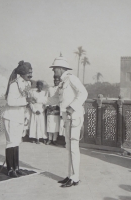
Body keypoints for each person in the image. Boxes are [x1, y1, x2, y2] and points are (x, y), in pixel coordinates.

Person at [49, 54, 88, 187]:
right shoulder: (62, 82)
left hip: (74, 118)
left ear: (60, 68)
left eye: (54, 69)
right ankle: (70, 175)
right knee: (69, 148)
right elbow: (54, 99)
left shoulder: (71, 79)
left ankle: (75, 178)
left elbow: (83, 93)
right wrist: (37, 99)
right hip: (67, 119)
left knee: (73, 148)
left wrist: (72, 107)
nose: (53, 71)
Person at [2, 60, 35, 178]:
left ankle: (16, 168)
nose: (31, 76)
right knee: (11, 142)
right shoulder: (14, 84)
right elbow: (10, 102)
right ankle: (10, 169)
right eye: (28, 74)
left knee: (17, 142)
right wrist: (26, 101)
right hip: (11, 116)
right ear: (22, 73)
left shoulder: (27, 84)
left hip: (19, 116)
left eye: (31, 73)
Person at [46, 75, 61, 145]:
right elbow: (46, 98)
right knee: (49, 124)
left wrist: (57, 106)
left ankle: (54, 139)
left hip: (57, 108)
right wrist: (48, 106)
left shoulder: (61, 89)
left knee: (55, 125)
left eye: (57, 80)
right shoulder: (50, 88)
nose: (56, 81)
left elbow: (61, 99)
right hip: (50, 108)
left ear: (59, 81)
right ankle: (49, 139)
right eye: (55, 80)